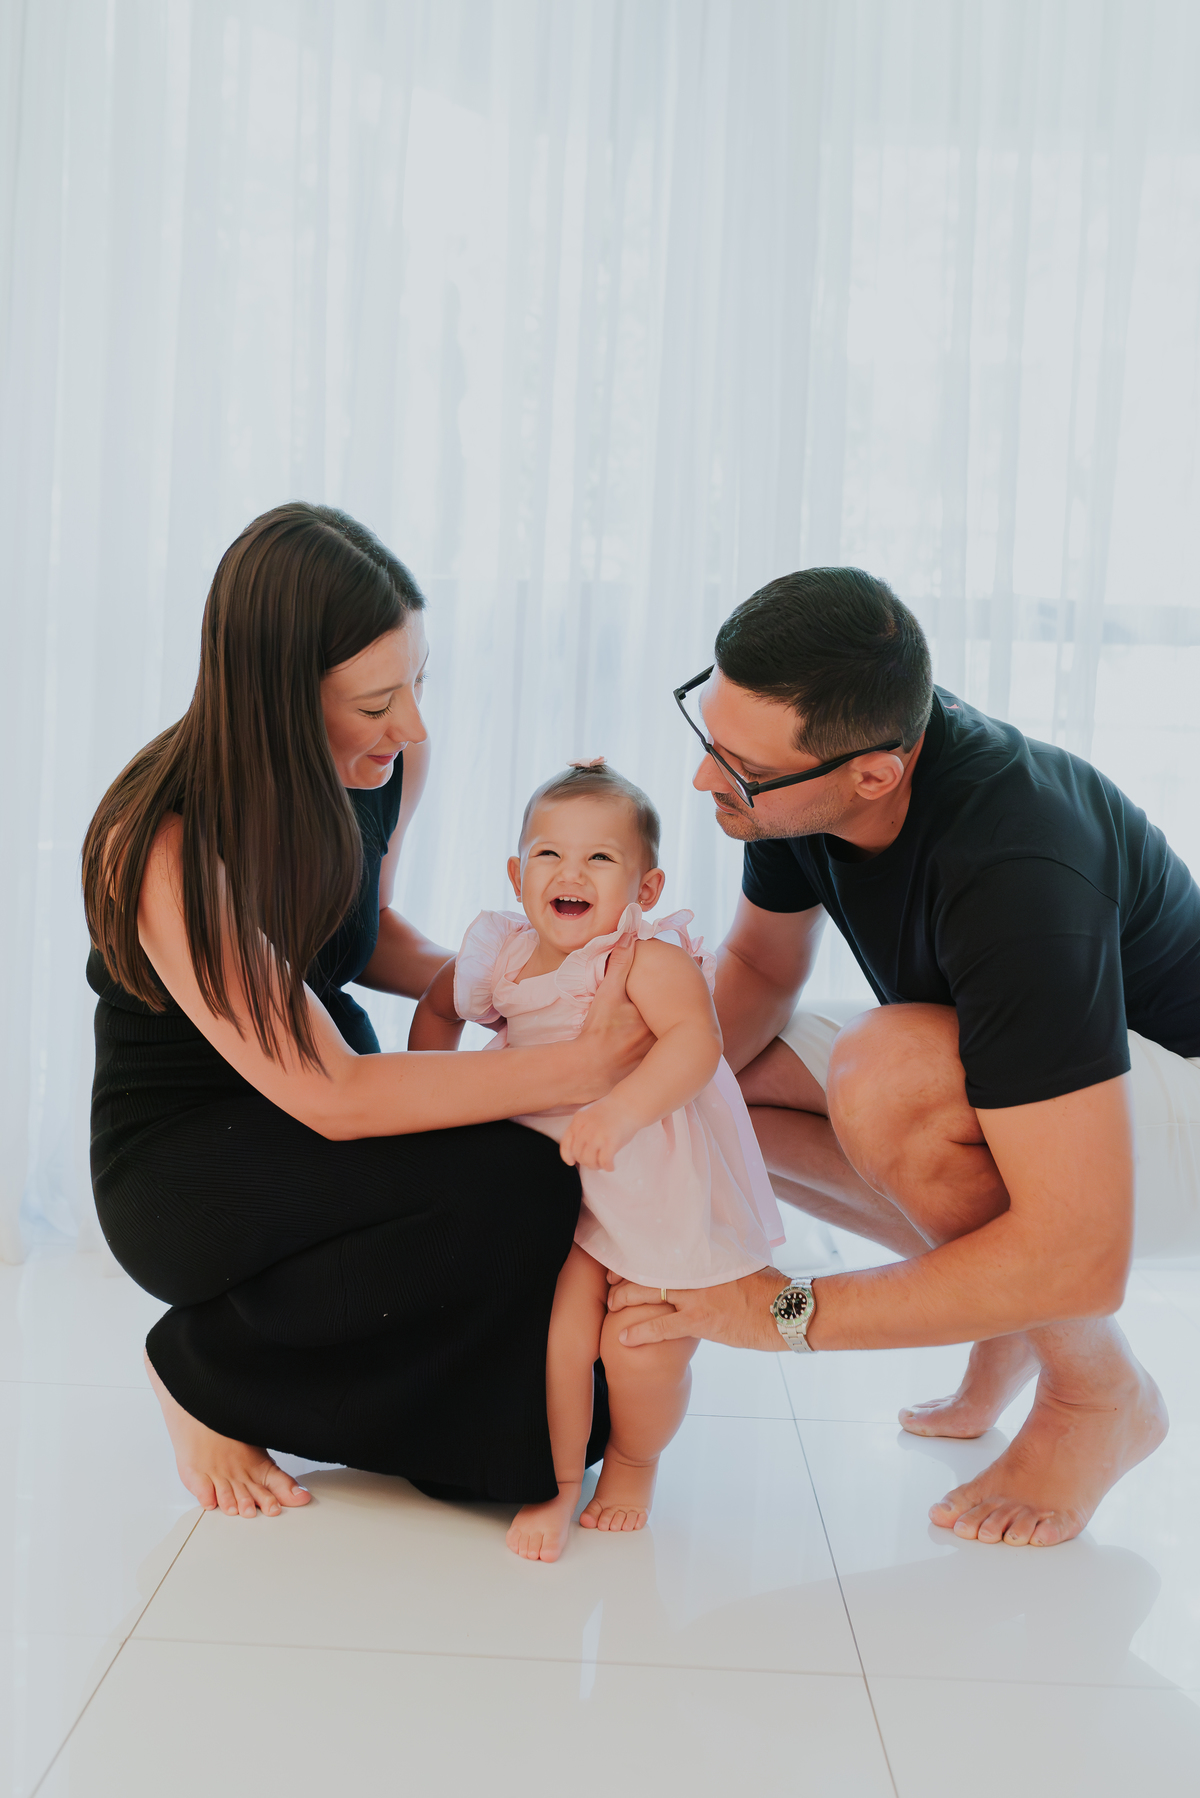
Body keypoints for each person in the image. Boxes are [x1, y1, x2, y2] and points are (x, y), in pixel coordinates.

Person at [607, 567, 1200, 1548]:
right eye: (708, 736)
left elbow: (1083, 1255)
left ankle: (1101, 1394)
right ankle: (1008, 1312)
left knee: (889, 1076)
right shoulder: (812, 779)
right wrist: (634, 1096)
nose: (708, 779)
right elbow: (759, 964)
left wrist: (782, 1314)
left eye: (739, 766)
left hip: (1170, 1104)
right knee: (717, 1089)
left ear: (874, 774)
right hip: (1050, 1080)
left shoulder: (1016, 864)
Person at [81, 502, 651, 1519]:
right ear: (276, 700)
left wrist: (519, 981)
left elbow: (361, 930)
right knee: (515, 1176)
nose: (414, 725)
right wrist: (585, 1062)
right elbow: (337, 1097)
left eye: (418, 680)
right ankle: (203, 1365)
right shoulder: (160, 839)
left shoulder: (383, 767)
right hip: (186, 1155)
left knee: (530, 1181)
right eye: (379, 699)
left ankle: (445, 1431)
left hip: (311, 1074)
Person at [410, 760, 783, 1561]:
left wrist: (622, 1109)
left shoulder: (647, 960)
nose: (570, 873)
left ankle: (634, 1460)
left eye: (600, 860)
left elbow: (696, 1046)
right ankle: (556, 1483)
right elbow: (437, 1010)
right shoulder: (501, 958)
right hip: (554, 1196)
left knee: (639, 1348)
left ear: (644, 890)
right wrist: (432, 1106)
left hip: (650, 1188)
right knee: (560, 1339)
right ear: (517, 874)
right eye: (549, 855)